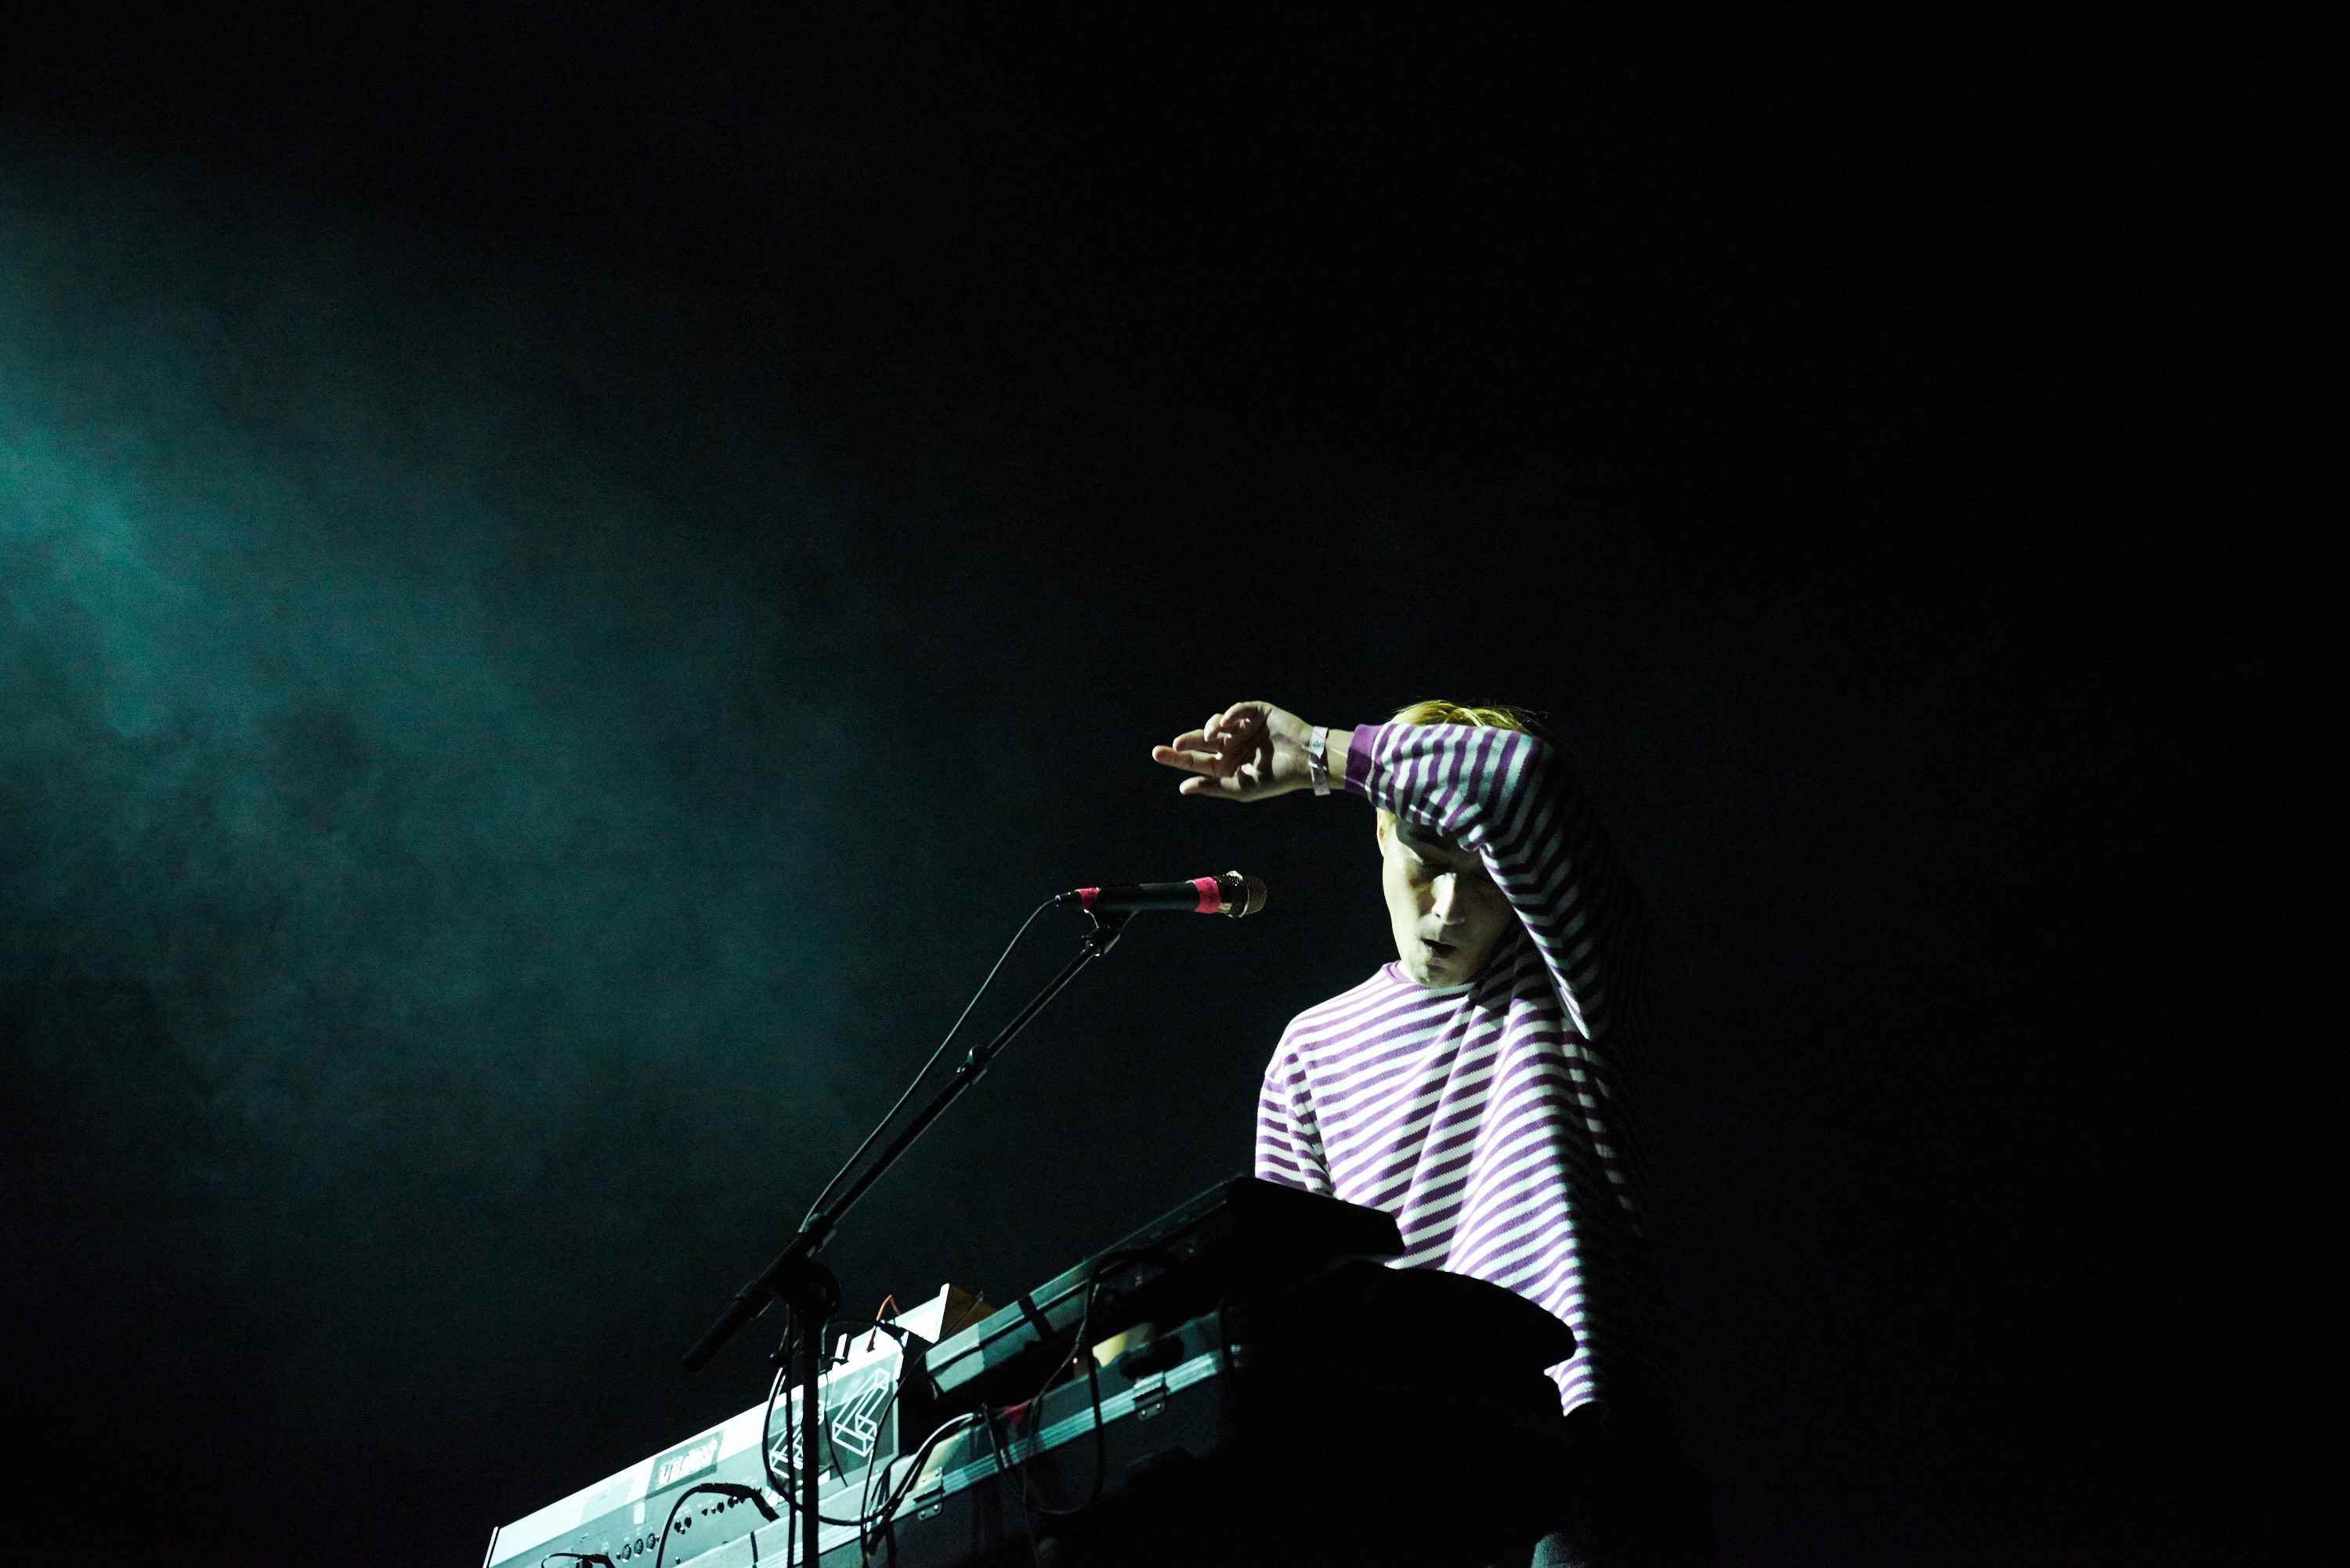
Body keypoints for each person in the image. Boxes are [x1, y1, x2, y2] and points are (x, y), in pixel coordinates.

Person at [1152, 699, 1716, 1568]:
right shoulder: (1310, 1051)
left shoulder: (1578, 977)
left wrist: (1321, 754)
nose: (1450, 908)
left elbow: (1526, 780)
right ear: (1382, 833)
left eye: (1485, 876)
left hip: (1588, 1453)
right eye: (1428, 863)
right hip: (1421, 1496)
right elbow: (1298, 1319)